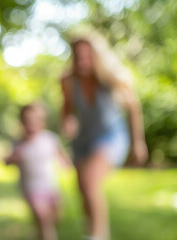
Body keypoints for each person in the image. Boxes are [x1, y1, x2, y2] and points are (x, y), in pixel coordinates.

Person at [60, 32, 148, 240]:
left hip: (111, 136)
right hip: (83, 139)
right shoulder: (67, 80)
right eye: (78, 56)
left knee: (90, 180)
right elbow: (66, 108)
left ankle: (98, 236)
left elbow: (133, 107)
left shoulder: (110, 76)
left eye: (87, 55)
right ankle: (94, 231)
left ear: (97, 55)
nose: (82, 61)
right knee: (82, 188)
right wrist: (67, 121)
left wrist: (138, 142)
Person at [6, 102, 70, 240]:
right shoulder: (19, 143)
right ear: (22, 122)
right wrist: (13, 158)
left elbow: (60, 153)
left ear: (43, 121)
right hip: (31, 189)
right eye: (28, 120)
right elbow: (6, 161)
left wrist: (66, 164)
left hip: (51, 187)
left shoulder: (50, 138)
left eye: (36, 119)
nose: (32, 123)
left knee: (55, 219)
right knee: (43, 220)